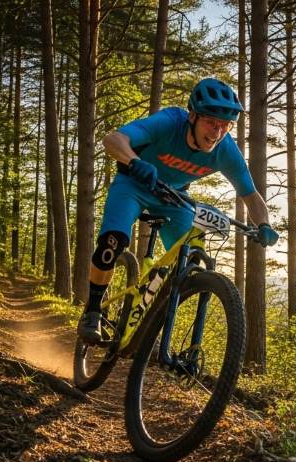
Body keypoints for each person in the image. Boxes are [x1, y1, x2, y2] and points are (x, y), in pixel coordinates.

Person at [78, 77, 278, 342]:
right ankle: (92, 309)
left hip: (173, 198)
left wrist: (264, 224)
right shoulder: (170, 122)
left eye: (225, 126)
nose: (217, 133)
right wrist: (135, 161)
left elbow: (250, 195)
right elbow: (113, 139)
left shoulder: (226, 150)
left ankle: (150, 324)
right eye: (210, 122)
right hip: (133, 185)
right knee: (112, 243)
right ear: (193, 116)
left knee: (191, 263)